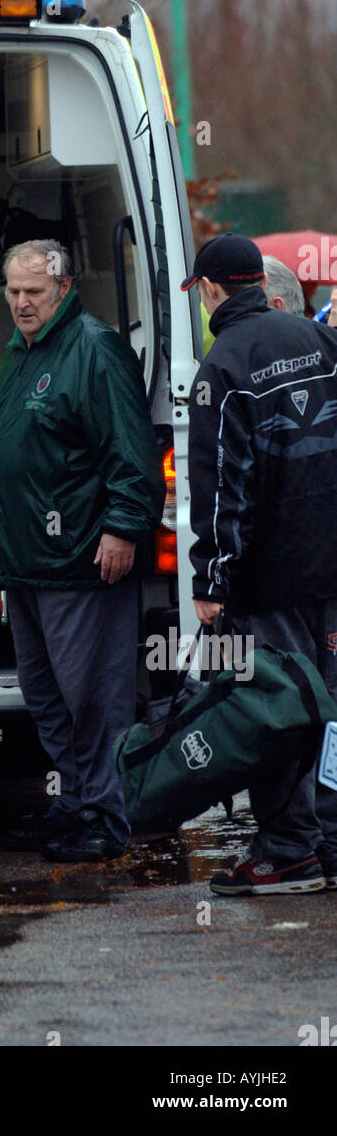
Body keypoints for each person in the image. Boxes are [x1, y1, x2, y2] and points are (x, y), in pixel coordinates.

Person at [0, 240, 164, 862]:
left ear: (62, 288)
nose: (22, 303)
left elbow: (130, 452)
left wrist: (123, 527)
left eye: (34, 292)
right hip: (26, 561)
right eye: (13, 292)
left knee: (94, 694)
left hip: (81, 556)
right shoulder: (22, 351)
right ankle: (71, 803)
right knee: (47, 694)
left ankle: (106, 816)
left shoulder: (93, 346)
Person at [182, 232, 337, 895]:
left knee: (274, 713)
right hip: (330, 568)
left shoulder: (222, 367)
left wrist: (211, 579)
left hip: (268, 581)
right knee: (329, 709)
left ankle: (286, 853)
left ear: (212, 290)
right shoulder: (317, 340)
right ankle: (327, 839)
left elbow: (223, 490)